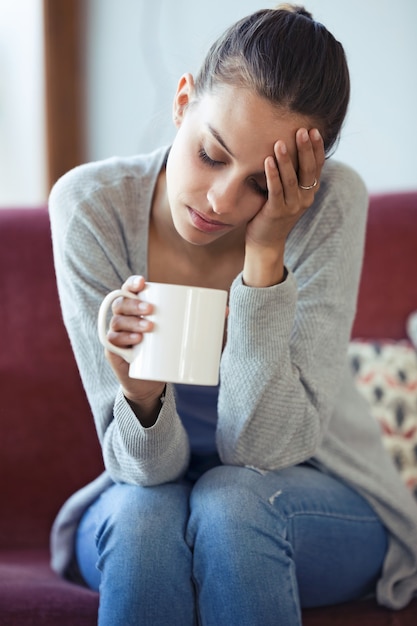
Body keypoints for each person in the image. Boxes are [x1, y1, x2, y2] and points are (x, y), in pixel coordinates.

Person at [48, 4, 417, 625]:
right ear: (183, 102)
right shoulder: (92, 208)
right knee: (146, 514)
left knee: (231, 498)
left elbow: (263, 449)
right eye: (212, 156)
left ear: (306, 176)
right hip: (146, 494)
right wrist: (139, 395)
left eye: (262, 184)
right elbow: (143, 470)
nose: (220, 202)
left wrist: (267, 252)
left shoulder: (329, 205)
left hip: (305, 491)